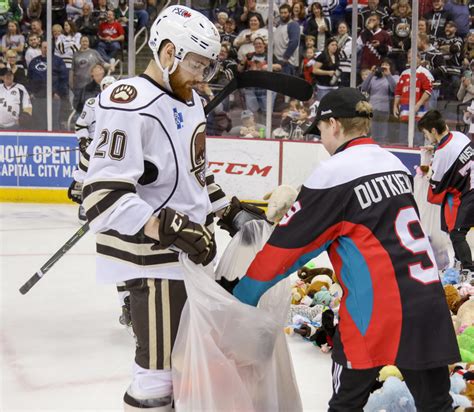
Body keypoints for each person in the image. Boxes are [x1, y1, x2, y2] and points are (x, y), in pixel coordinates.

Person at [82, 6, 265, 410]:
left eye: (207, 65)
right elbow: (102, 197)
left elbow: (195, 176)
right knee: (158, 375)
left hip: (183, 257)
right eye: (197, 63)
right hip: (153, 261)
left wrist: (228, 210)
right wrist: (167, 226)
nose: (203, 75)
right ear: (167, 53)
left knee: (185, 367)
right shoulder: (128, 103)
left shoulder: (190, 101)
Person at [233, 87, 461, 412]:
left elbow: (286, 248)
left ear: (335, 125)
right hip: (427, 303)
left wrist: (242, 297)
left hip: (376, 313)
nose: (322, 139)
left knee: (346, 405)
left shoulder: (333, 172)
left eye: (321, 130)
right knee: (436, 405)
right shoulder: (392, 162)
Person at [417, 110, 474, 284]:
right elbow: (452, 151)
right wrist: (435, 149)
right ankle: (460, 264)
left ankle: (469, 271)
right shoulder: (459, 136)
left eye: (426, 134)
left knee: (457, 233)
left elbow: (435, 188)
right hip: (470, 186)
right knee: (457, 230)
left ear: (433, 131)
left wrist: (429, 165)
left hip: (469, 192)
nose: (427, 138)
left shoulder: (441, 155)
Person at [360, 59, 398, 143]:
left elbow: (395, 89)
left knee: (383, 134)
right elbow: (364, 88)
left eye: (386, 65)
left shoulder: (394, 77)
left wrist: (388, 75)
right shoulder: (374, 78)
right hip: (372, 108)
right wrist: (371, 74)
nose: (384, 67)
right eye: (382, 65)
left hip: (384, 109)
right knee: (373, 132)